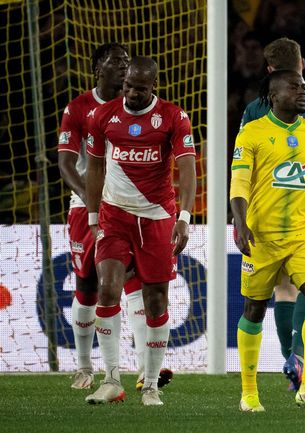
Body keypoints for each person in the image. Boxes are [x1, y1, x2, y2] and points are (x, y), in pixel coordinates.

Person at [57, 42, 173, 393]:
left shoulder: (143, 111)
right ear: (98, 69)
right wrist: (95, 202)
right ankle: (83, 366)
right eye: (116, 62)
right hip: (87, 208)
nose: (124, 66)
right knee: (89, 286)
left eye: (127, 61)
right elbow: (65, 163)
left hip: (133, 213)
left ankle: (142, 371)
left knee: (138, 283)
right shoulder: (79, 108)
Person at [84, 56, 196, 406]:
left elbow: (188, 167)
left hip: (157, 216)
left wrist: (185, 216)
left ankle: (149, 385)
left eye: (140, 88)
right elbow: (95, 167)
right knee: (107, 290)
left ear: (153, 87)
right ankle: (111, 378)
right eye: (128, 85)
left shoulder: (174, 117)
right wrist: (92, 216)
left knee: (156, 300)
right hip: (114, 214)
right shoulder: (102, 116)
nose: (132, 92)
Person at [231, 69, 305, 413]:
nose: (303, 93)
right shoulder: (252, 133)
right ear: (274, 95)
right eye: (295, 88)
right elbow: (239, 182)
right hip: (262, 236)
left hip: (302, 234)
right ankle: (249, 394)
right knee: (253, 309)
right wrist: (239, 222)